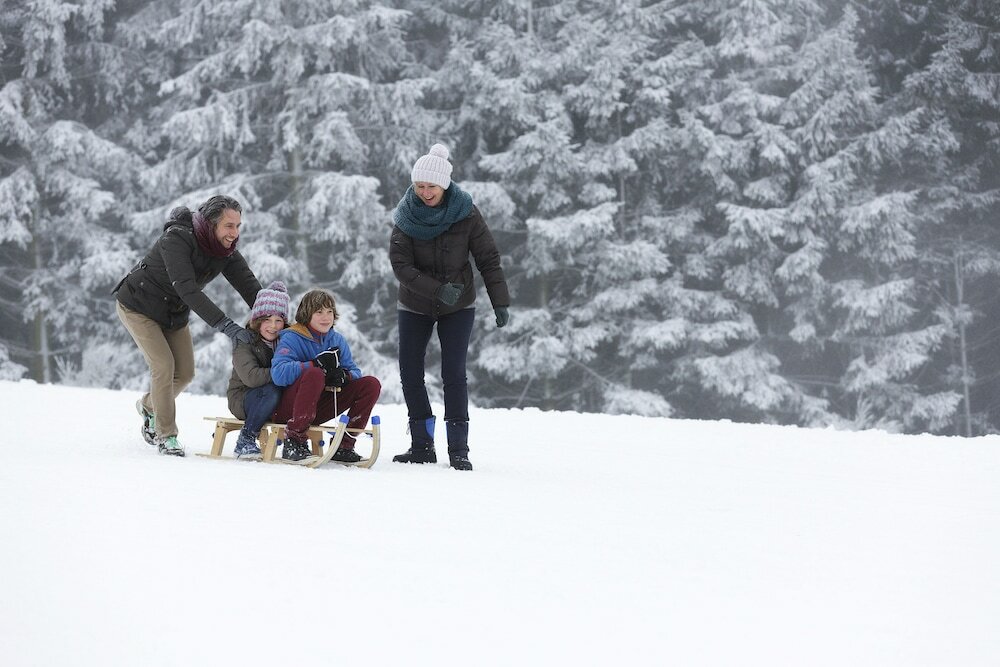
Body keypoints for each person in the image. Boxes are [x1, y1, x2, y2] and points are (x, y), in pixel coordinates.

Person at [389, 143, 511, 471]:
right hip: (415, 303)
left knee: (453, 373)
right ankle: (422, 445)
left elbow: (488, 257)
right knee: (410, 371)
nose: (424, 192)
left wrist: (499, 301)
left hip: (459, 305)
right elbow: (401, 266)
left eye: (430, 186)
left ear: (444, 185)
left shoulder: (466, 212)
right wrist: (437, 289)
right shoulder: (405, 215)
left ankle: (459, 449)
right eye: (419, 186)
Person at [114, 195, 261, 457]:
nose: (234, 233)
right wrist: (226, 325)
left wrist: (274, 316)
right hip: (138, 306)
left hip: (173, 314)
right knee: (163, 366)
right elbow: (186, 288)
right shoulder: (177, 239)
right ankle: (166, 435)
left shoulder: (224, 250)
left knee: (185, 373)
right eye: (229, 226)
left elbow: (248, 285)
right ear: (211, 223)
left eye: (238, 226)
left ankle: (149, 406)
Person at [270, 288, 382, 462]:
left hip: (319, 407)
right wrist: (314, 365)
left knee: (371, 384)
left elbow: (355, 372)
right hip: (289, 410)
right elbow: (278, 374)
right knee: (314, 374)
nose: (326, 317)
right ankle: (294, 442)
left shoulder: (336, 340)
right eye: (319, 312)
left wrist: (345, 376)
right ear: (307, 314)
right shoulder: (292, 338)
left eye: (330, 311)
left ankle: (343, 445)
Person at [225, 281, 290, 461]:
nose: (273, 326)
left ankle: (297, 442)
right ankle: (246, 438)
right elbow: (251, 378)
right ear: (257, 321)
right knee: (272, 390)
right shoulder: (244, 341)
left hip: (277, 397)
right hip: (244, 397)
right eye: (267, 320)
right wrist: (285, 372)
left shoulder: (287, 340)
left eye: (278, 320)